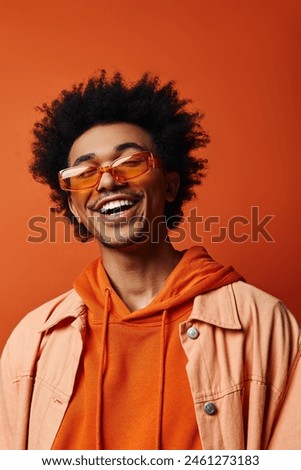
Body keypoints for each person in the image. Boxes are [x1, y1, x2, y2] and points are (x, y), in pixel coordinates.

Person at [0, 71, 300, 450]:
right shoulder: (33, 341)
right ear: (74, 207)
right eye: (84, 173)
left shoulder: (264, 323)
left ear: (170, 185)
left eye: (130, 162)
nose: (107, 182)